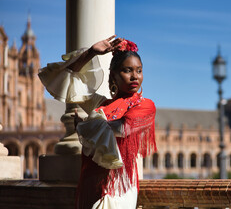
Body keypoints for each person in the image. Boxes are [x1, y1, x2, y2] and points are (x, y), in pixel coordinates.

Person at [38, 36, 157, 208]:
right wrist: (91, 53)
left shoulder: (145, 105)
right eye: (127, 70)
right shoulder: (101, 104)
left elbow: (122, 128)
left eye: (139, 70)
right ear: (114, 76)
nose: (134, 77)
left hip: (119, 189)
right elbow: (66, 78)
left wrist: (84, 127)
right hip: (90, 184)